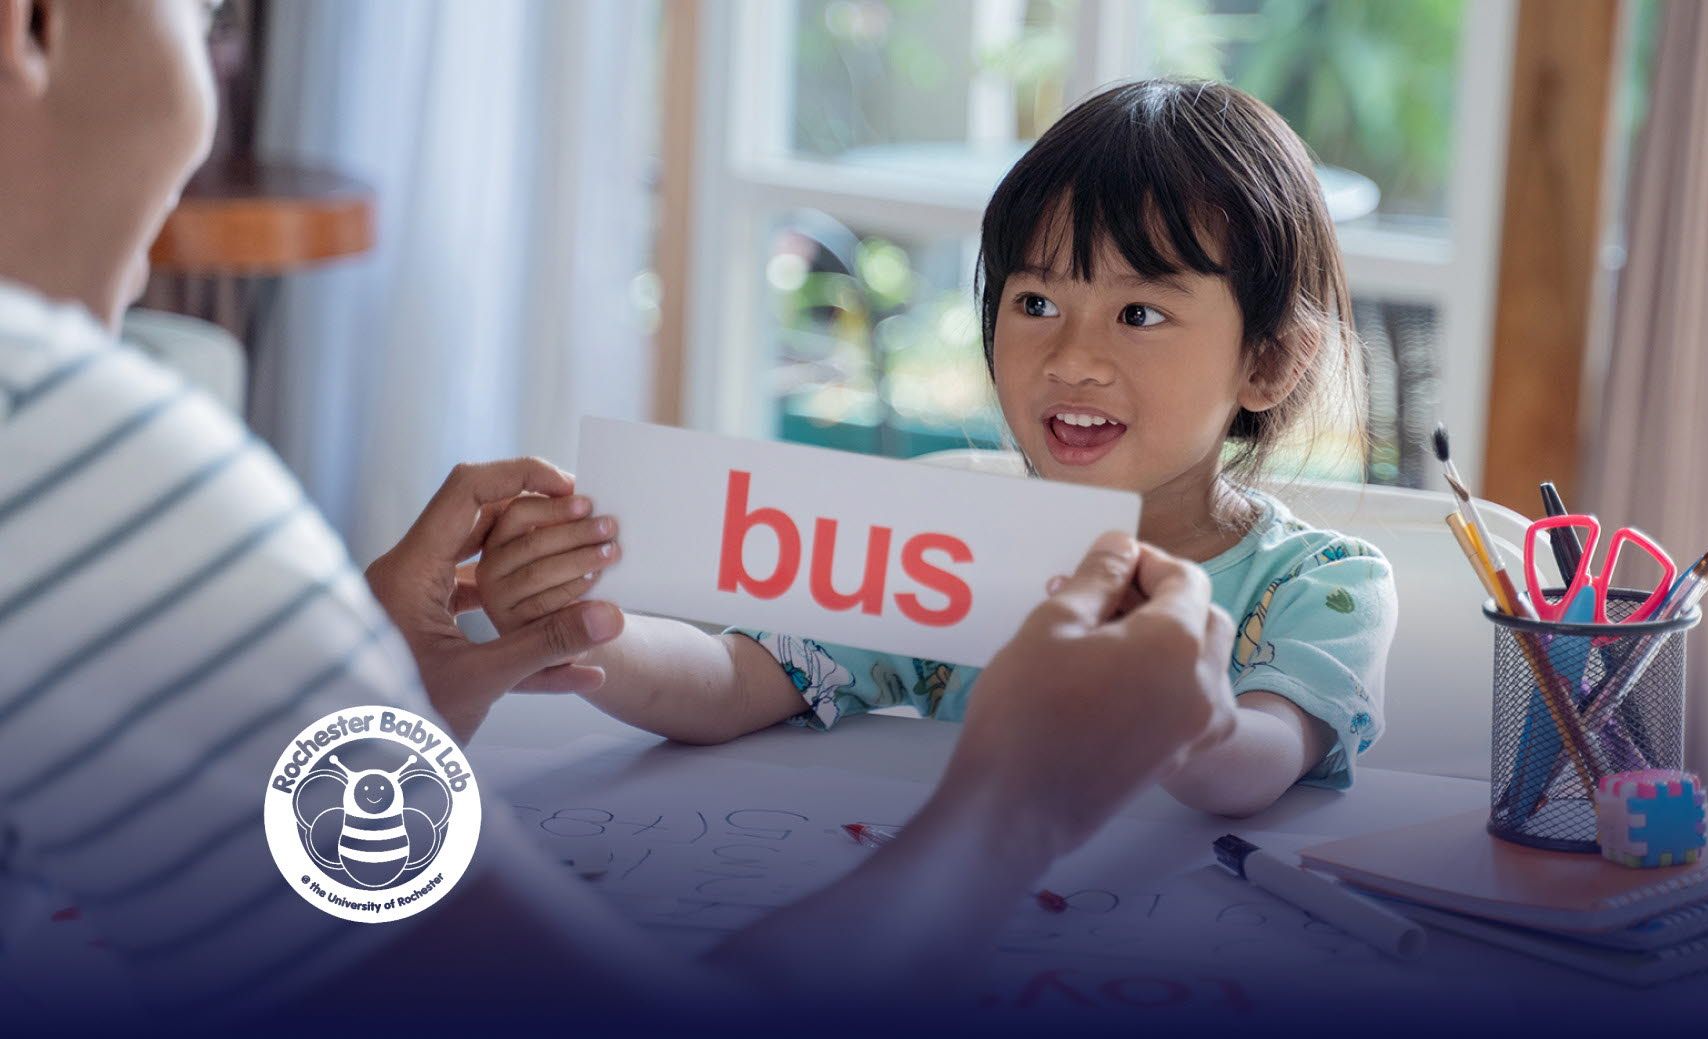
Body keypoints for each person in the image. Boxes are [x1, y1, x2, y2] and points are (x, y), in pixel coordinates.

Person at [0, 0, 1236, 1023]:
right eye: (201, 6)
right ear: (31, 28)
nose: (213, 49)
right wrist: (1013, 806)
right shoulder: (69, 447)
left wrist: (360, 706)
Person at [476, 79, 1399, 817]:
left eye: (1140, 312)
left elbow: (1261, 763)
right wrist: (595, 628)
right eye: (1035, 303)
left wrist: (1194, 726)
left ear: (1270, 362)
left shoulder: (1320, 586)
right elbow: (736, 679)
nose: (1073, 358)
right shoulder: (950, 549)